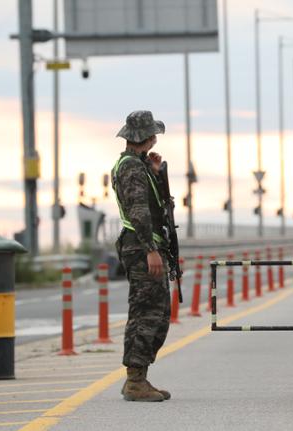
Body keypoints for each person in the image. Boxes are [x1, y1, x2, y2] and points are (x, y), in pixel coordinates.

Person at [112, 110, 172, 402]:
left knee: (157, 312)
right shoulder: (132, 168)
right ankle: (135, 379)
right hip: (140, 246)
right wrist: (151, 250)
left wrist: (156, 174)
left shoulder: (138, 165)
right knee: (146, 312)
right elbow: (138, 210)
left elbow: (151, 203)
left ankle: (139, 377)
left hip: (143, 244)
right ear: (148, 137)